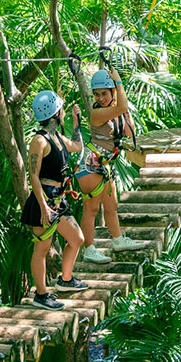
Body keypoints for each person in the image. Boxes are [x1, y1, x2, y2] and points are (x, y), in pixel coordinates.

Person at [21, 90, 89, 310]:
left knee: (77, 238)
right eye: (61, 110)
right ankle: (41, 295)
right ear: (55, 113)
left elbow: (78, 147)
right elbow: (33, 176)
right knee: (42, 249)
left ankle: (66, 280)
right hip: (45, 202)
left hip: (58, 200)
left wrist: (77, 123)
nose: (63, 113)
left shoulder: (58, 138)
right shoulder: (39, 141)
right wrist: (43, 207)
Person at [76, 69, 143, 265]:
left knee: (111, 207)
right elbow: (122, 105)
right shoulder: (97, 113)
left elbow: (131, 133)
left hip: (104, 166)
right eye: (97, 94)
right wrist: (118, 82)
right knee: (91, 209)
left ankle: (118, 240)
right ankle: (89, 249)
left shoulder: (116, 112)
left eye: (104, 93)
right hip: (91, 164)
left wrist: (124, 111)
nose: (100, 98)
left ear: (112, 93)